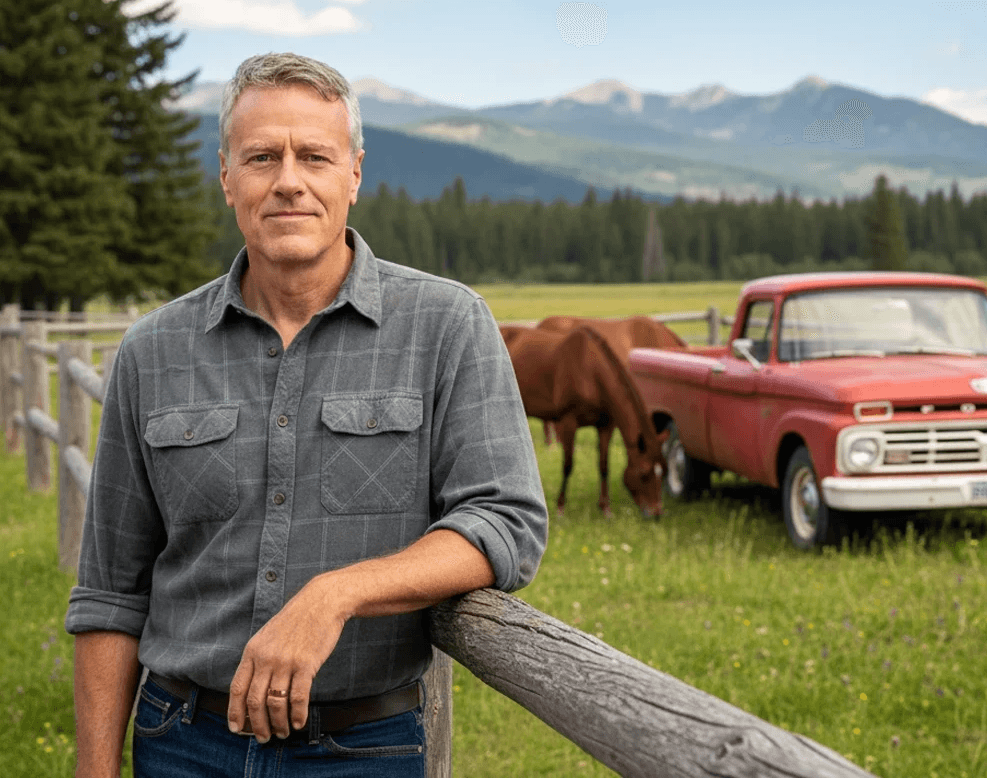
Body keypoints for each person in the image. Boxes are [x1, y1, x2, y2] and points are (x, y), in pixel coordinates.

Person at [65, 52, 548, 778]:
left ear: (353, 174)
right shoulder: (152, 351)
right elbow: (110, 591)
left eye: (314, 157)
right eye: (262, 157)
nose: (288, 180)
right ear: (226, 177)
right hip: (181, 741)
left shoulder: (446, 326)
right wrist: (95, 770)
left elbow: (506, 521)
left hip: (363, 748)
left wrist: (336, 595)